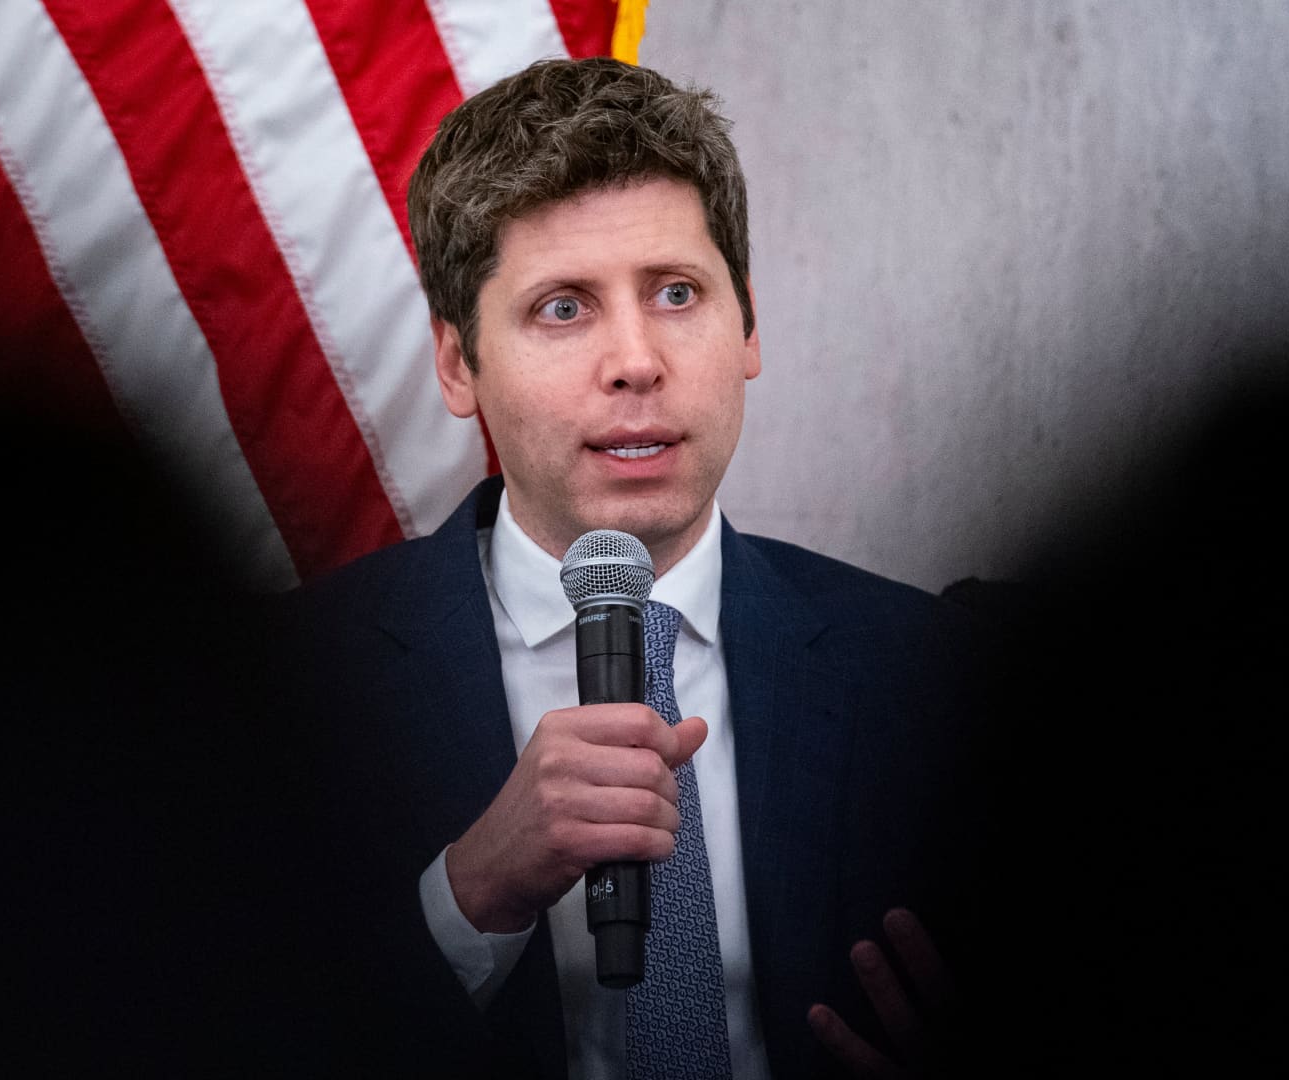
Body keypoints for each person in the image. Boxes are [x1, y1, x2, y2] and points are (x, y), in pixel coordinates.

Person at [280, 58, 978, 1079]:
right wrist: (470, 896)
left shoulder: (936, 671)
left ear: (748, 326)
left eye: (677, 293)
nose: (638, 360)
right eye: (564, 308)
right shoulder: (281, 689)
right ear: (459, 362)